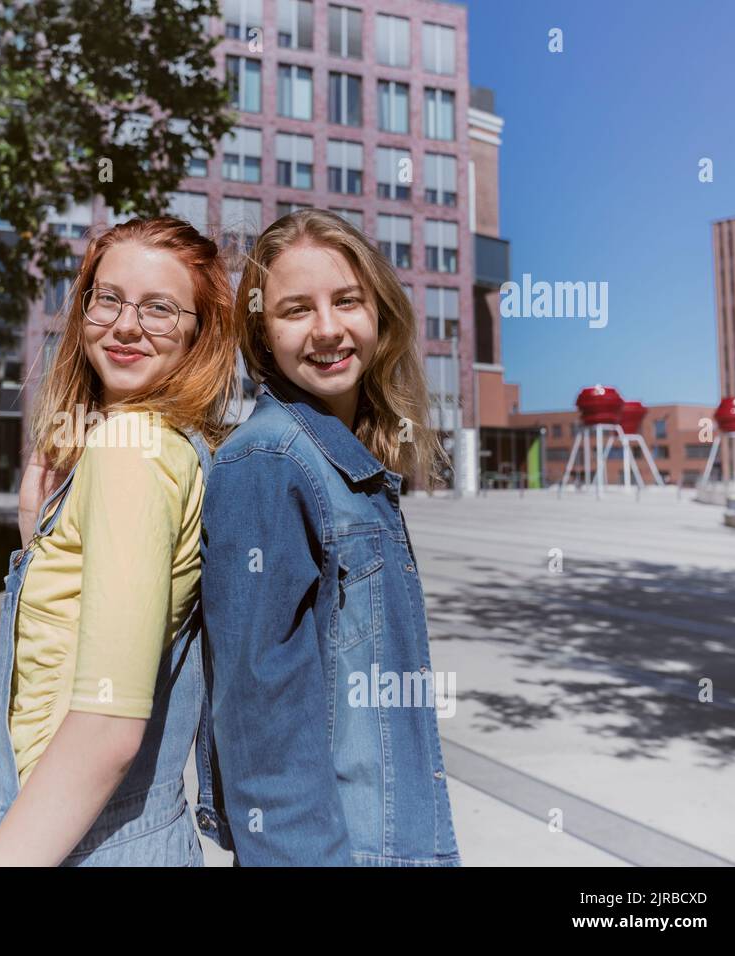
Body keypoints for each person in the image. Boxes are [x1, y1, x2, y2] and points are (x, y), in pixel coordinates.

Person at [0, 215, 239, 866]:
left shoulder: (132, 446)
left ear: (201, 334)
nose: (124, 324)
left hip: (87, 839)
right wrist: (39, 535)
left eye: (160, 309)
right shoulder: (168, 446)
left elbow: (107, 729)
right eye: (107, 297)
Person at [200, 208, 462, 866]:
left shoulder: (342, 461)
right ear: (261, 336)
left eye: (346, 300)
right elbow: (260, 730)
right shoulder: (271, 463)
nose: (327, 328)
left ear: (379, 310)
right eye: (295, 310)